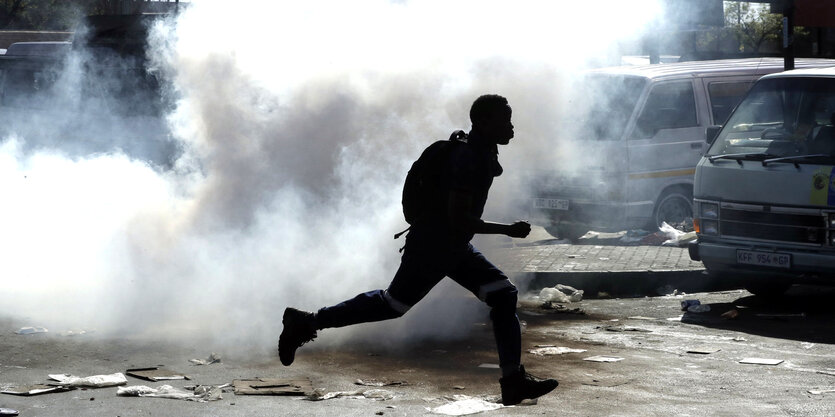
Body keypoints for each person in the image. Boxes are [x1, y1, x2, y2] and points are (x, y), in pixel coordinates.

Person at [278, 94, 558, 406]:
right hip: (434, 247)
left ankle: (513, 381)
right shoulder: (467, 159)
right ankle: (306, 322)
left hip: (452, 246)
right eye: (505, 120)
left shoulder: (476, 152)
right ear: (483, 122)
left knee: (503, 295)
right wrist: (508, 230)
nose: (512, 126)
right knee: (393, 304)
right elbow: (459, 217)